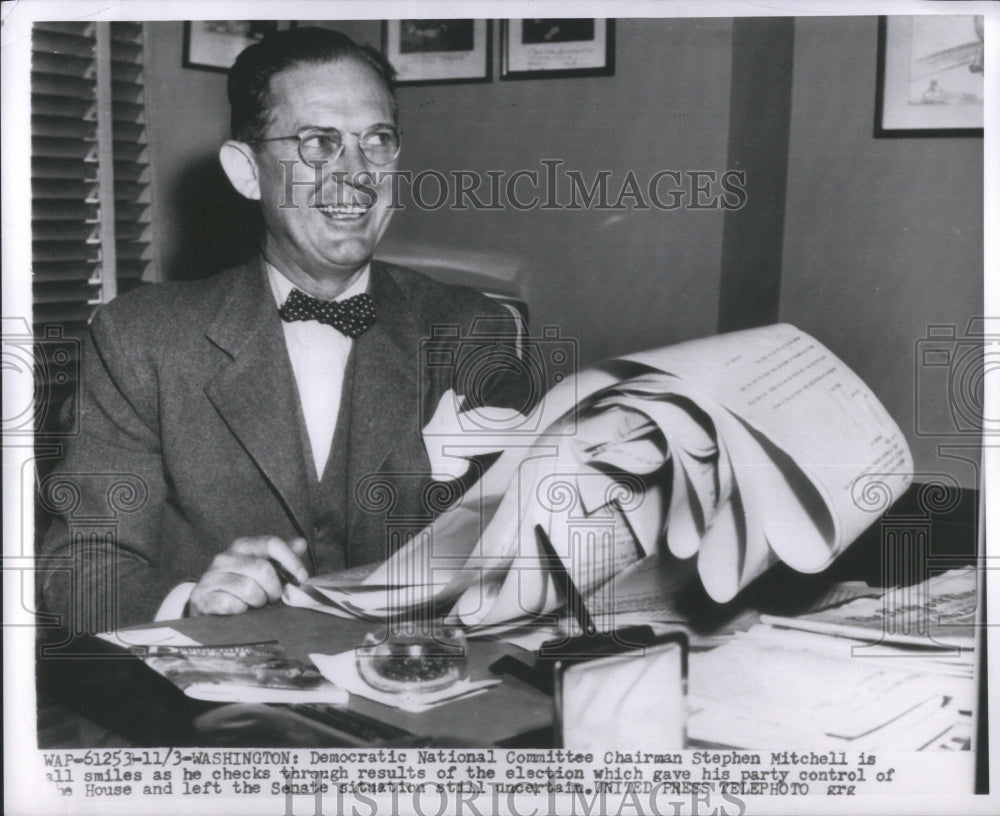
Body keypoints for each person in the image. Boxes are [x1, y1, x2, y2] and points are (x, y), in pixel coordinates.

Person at [37, 28, 531, 631]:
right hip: (215, 707)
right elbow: (77, 569)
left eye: (377, 141)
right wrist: (190, 602)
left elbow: (514, 549)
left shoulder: (473, 329)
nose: (358, 174)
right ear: (247, 172)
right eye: (319, 144)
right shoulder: (138, 339)